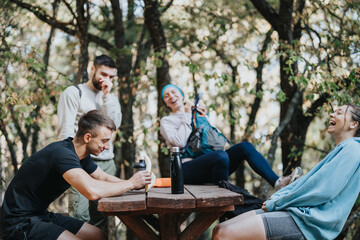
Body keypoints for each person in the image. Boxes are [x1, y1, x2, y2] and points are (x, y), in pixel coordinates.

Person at [212, 104, 360, 240]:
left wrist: (278, 202)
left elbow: (323, 191)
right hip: (298, 213)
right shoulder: (343, 149)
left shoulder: (352, 149)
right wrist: (278, 198)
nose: (332, 114)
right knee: (220, 228)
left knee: (223, 234)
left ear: (354, 124)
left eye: (339, 113)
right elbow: (305, 183)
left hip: (309, 223)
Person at [0, 110, 151, 240]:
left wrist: (133, 185)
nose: (107, 146)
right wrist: (130, 184)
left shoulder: (80, 155)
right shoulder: (62, 154)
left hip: (40, 215)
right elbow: (92, 191)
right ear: (87, 138)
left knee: (99, 236)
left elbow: (103, 177)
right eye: (104, 141)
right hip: (18, 222)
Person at [159, 84, 302, 189]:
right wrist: (186, 114)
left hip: (212, 163)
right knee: (221, 156)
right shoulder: (166, 121)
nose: (171, 96)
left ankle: (278, 183)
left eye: (174, 92)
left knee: (245, 147)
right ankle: (224, 199)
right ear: (165, 103)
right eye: (167, 95)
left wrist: (205, 118)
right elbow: (179, 142)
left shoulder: (196, 113)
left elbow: (214, 142)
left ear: (181, 94)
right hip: (186, 169)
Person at [57, 54, 121, 230]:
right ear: (92, 69)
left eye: (111, 77)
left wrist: (107, 96)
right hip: (80, 163)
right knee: (79, 217)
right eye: (103, 74)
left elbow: (115, 125)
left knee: (102, 217)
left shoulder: (111, 99)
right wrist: (72, 162)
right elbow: (65, 131)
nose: (106, 79)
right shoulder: (74, 92)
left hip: (106, 163)